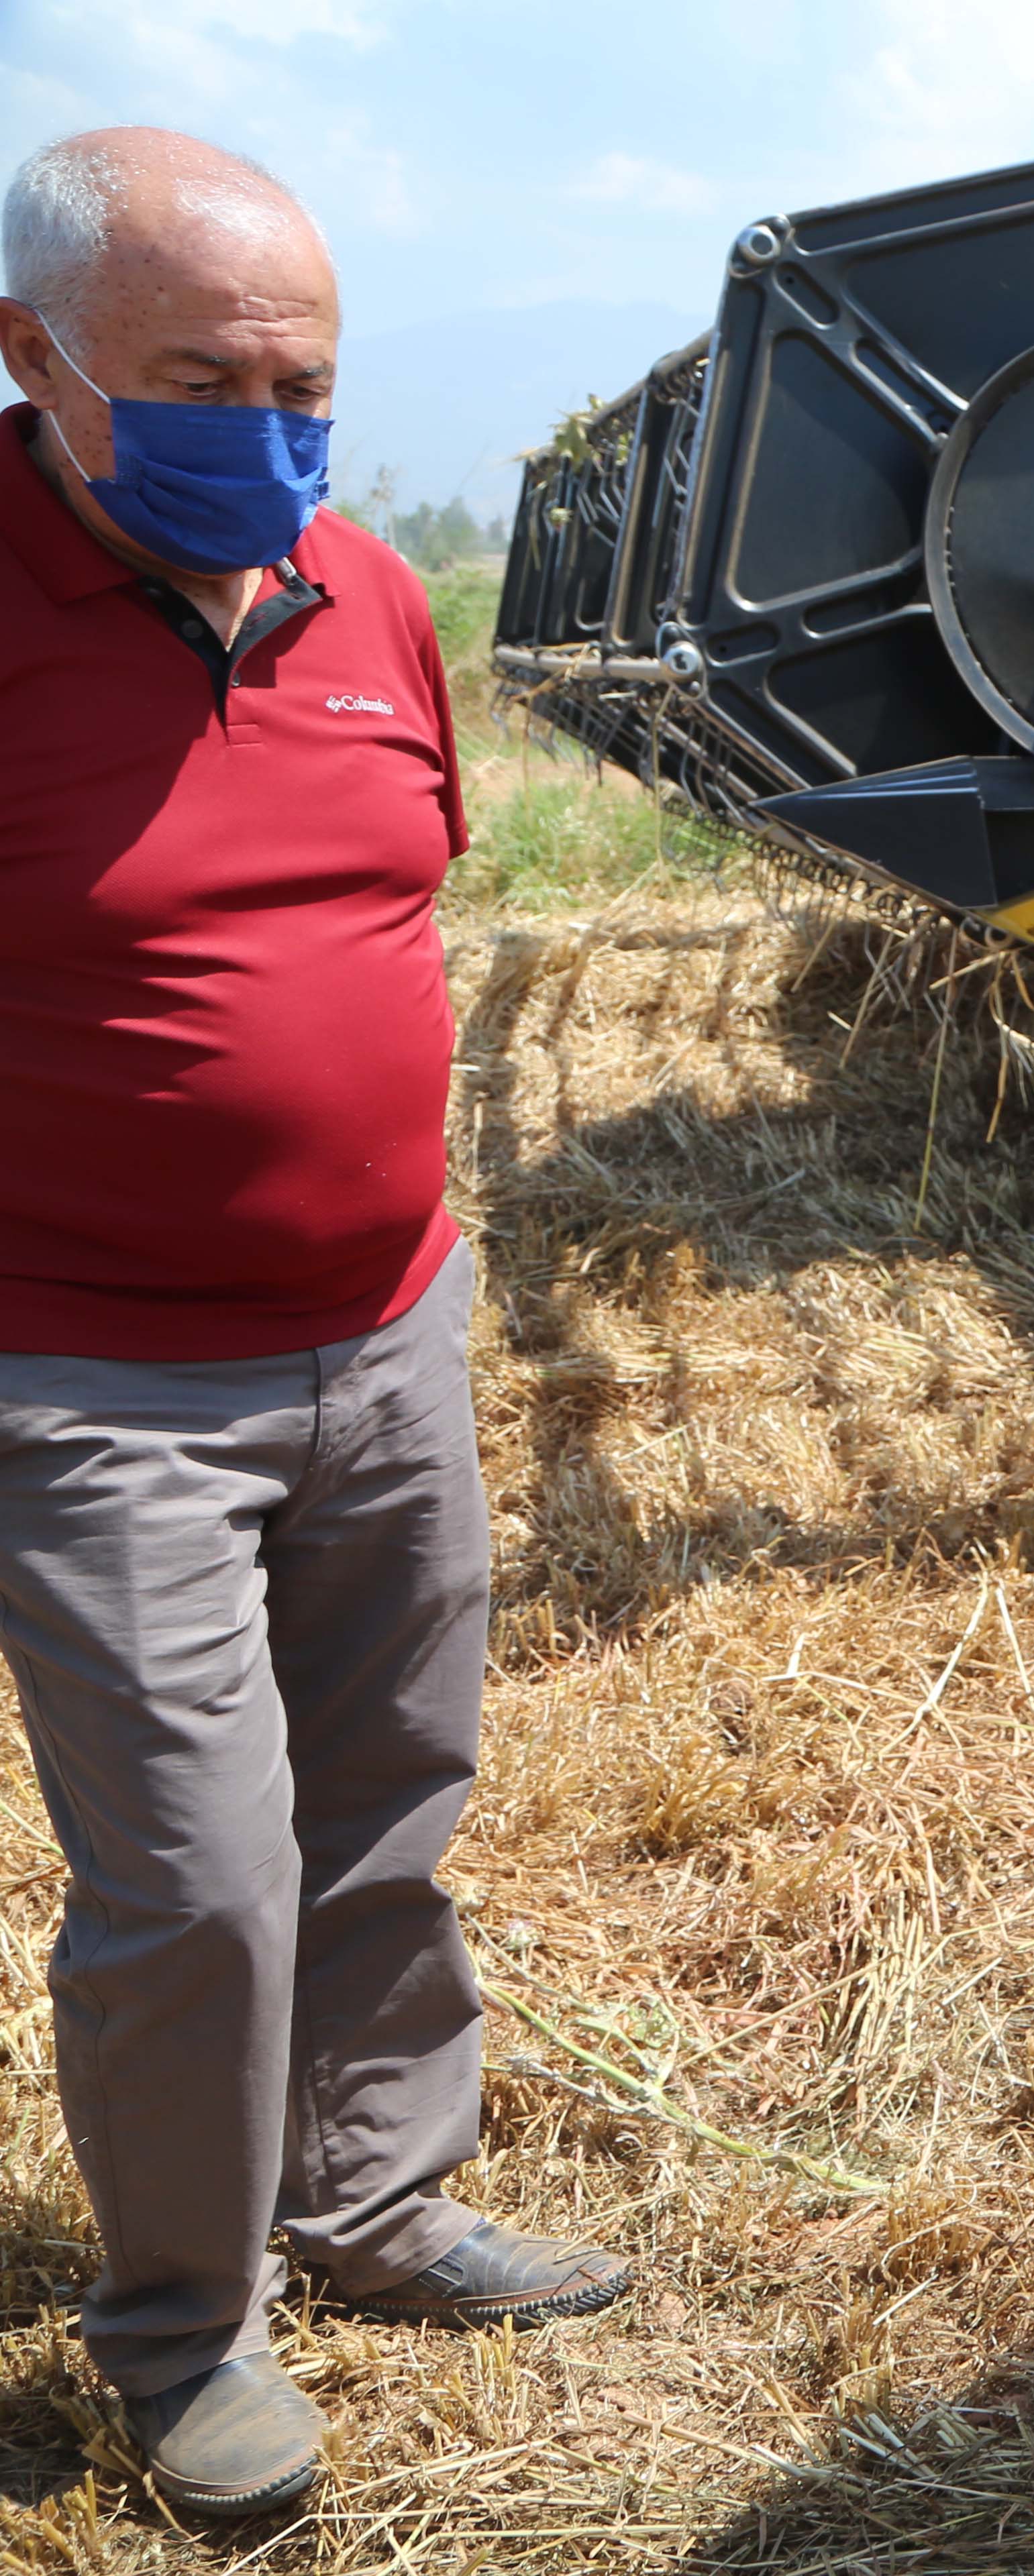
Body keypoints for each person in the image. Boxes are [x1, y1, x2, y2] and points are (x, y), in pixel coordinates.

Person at [0, 130, 630, 2521]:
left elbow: (388, 915)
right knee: (200, 1877)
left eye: (306, 380)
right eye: (201, 378)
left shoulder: (362, 592)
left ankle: (373, 2199)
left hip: (383, 1333)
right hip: (86, 1379)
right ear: (34, 358)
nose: (264, 427)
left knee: (388, 1801)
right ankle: (182, 2337)